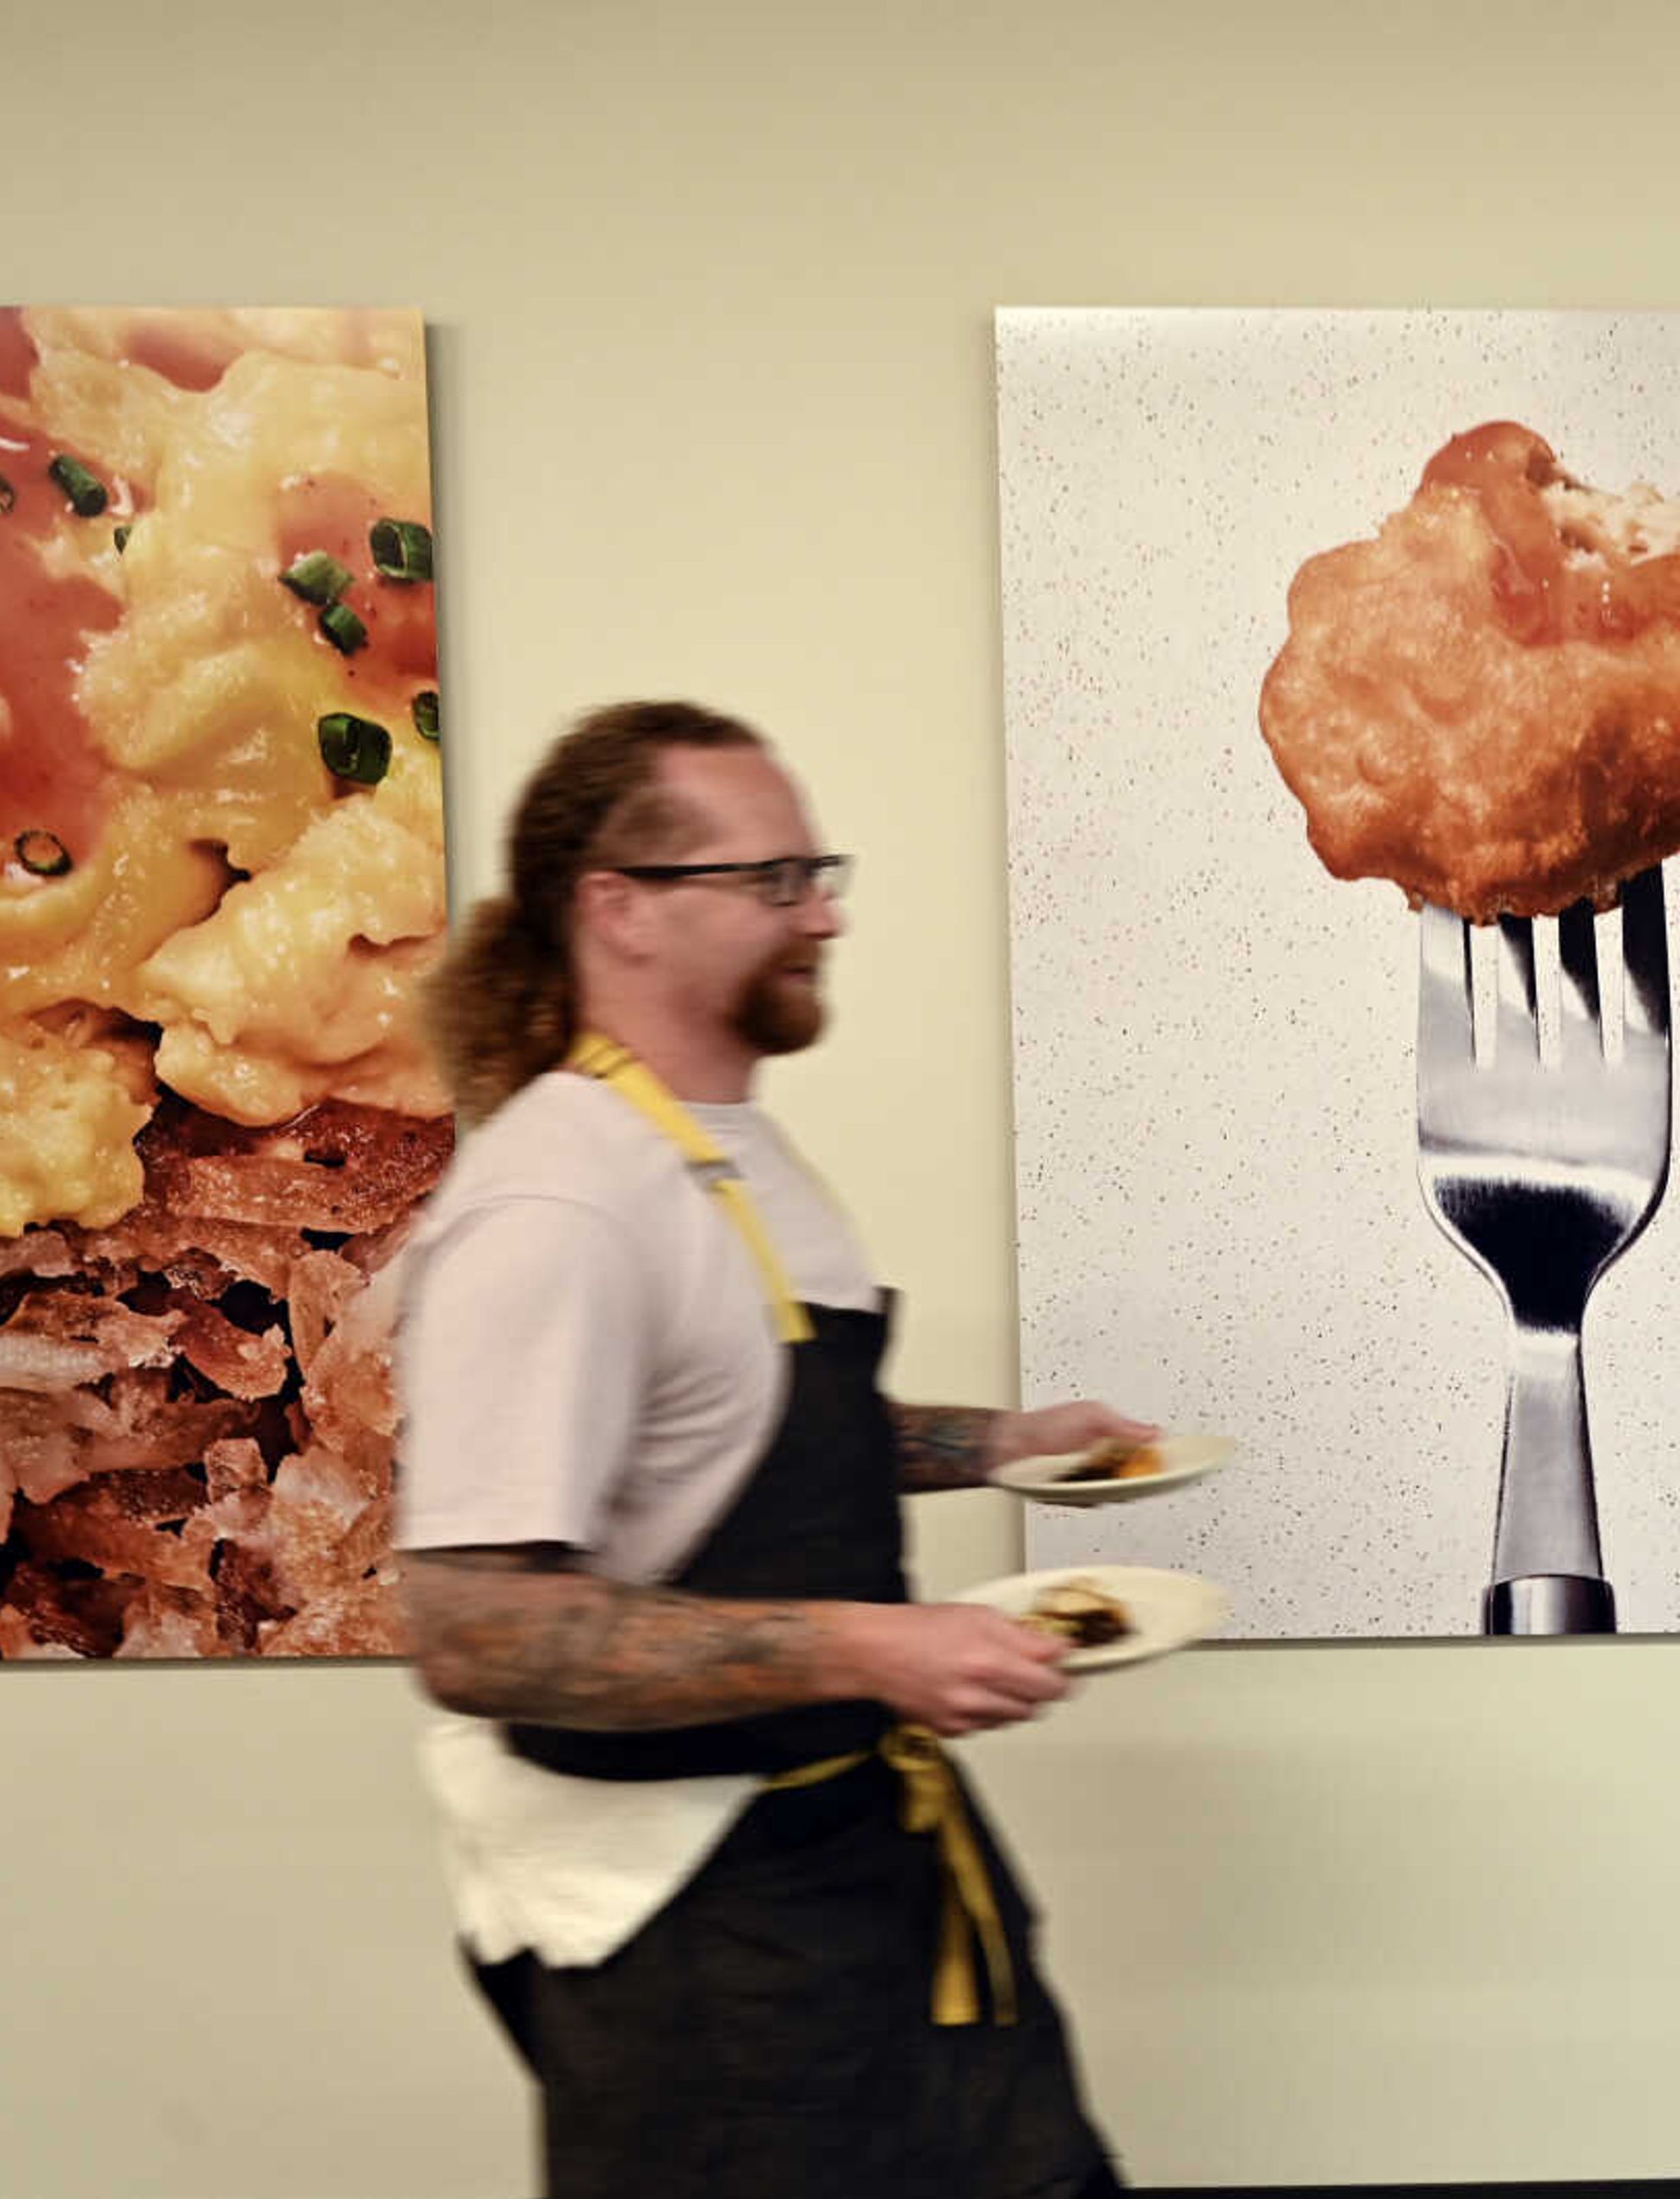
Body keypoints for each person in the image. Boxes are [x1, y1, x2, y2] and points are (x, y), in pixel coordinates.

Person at [389, 698, 1144, 2198]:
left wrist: (1000, 1444)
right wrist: (871, 1645)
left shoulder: (724, 1142)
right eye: (778, 879)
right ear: (621, 909)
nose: (828, 912)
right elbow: (474, 1626)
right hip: (706, 1954)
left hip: (867, 1856)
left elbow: (737, 1421)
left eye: (820, 870)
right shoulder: (559, 1203)